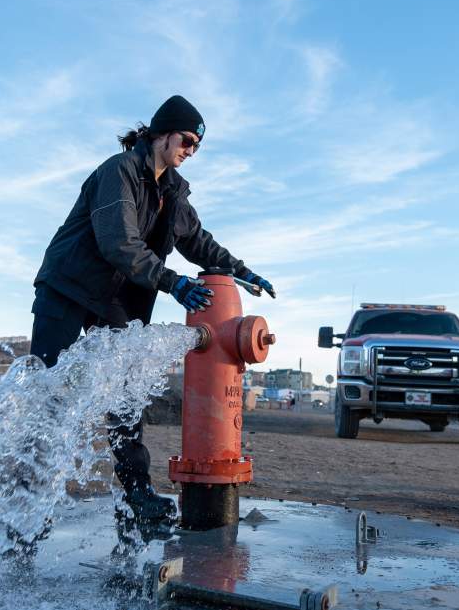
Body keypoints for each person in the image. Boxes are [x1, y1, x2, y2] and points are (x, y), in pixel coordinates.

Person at [30, 95, 275, 526]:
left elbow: (198, 241)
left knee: (126, 400)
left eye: (197, 146)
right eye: (186, 140)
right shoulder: (119, 172)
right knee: (50, 396)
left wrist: (242, 272)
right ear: (161, 133)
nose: (190, 150)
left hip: (116, 300)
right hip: (67, 290)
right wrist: (172, 282)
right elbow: (117, 243)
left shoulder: (173, 191)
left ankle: (137, 499)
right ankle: (24, 506)